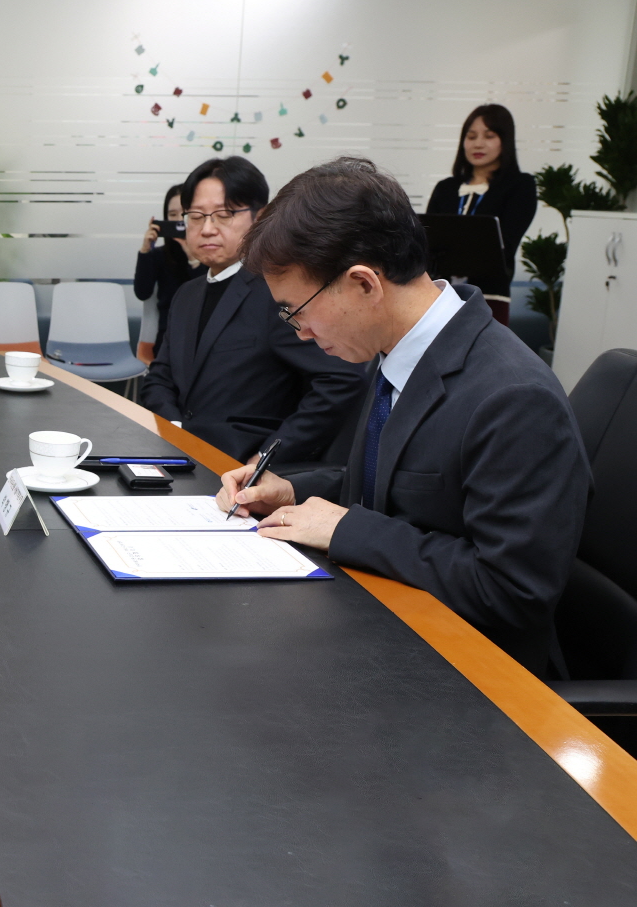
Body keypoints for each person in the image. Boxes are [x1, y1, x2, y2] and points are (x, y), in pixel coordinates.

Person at [219, 157, 589, 677]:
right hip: (392, 626)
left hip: (476, 679)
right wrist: (294, 493)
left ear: (364, 284)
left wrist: (347, 529)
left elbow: (512, 593)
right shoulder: (397, 354)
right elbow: (392, 487)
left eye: (296, 310)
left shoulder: (515, 398)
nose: (297, 332)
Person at [139, 156, 366, 464]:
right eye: (195, 216)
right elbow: (160, 376)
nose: (207, 229)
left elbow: (340, 380)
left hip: (247, 469)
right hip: (181, 457)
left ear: (259, 218)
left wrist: (266, 457)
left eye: (223, 214)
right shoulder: (186, 295)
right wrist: (176, 429)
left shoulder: (280, 295)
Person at [426, 103, 537, 323]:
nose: (478, 144)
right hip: (436, 296)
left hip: (488, 297)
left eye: (489, 136)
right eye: (471, 136)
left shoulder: (520, 186)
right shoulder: (446, 187)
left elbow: (503, 247)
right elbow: (426, 240)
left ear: (505, 141)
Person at [133, 182, 199, 363]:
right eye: (172, 214)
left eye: (184, 214)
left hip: (201, 336)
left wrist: (192, 256)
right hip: (168, 337)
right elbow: (142, 292)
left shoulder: (209, 254)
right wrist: (145, 250)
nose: (179, 220)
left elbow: (206, 295)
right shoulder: (158, 255)